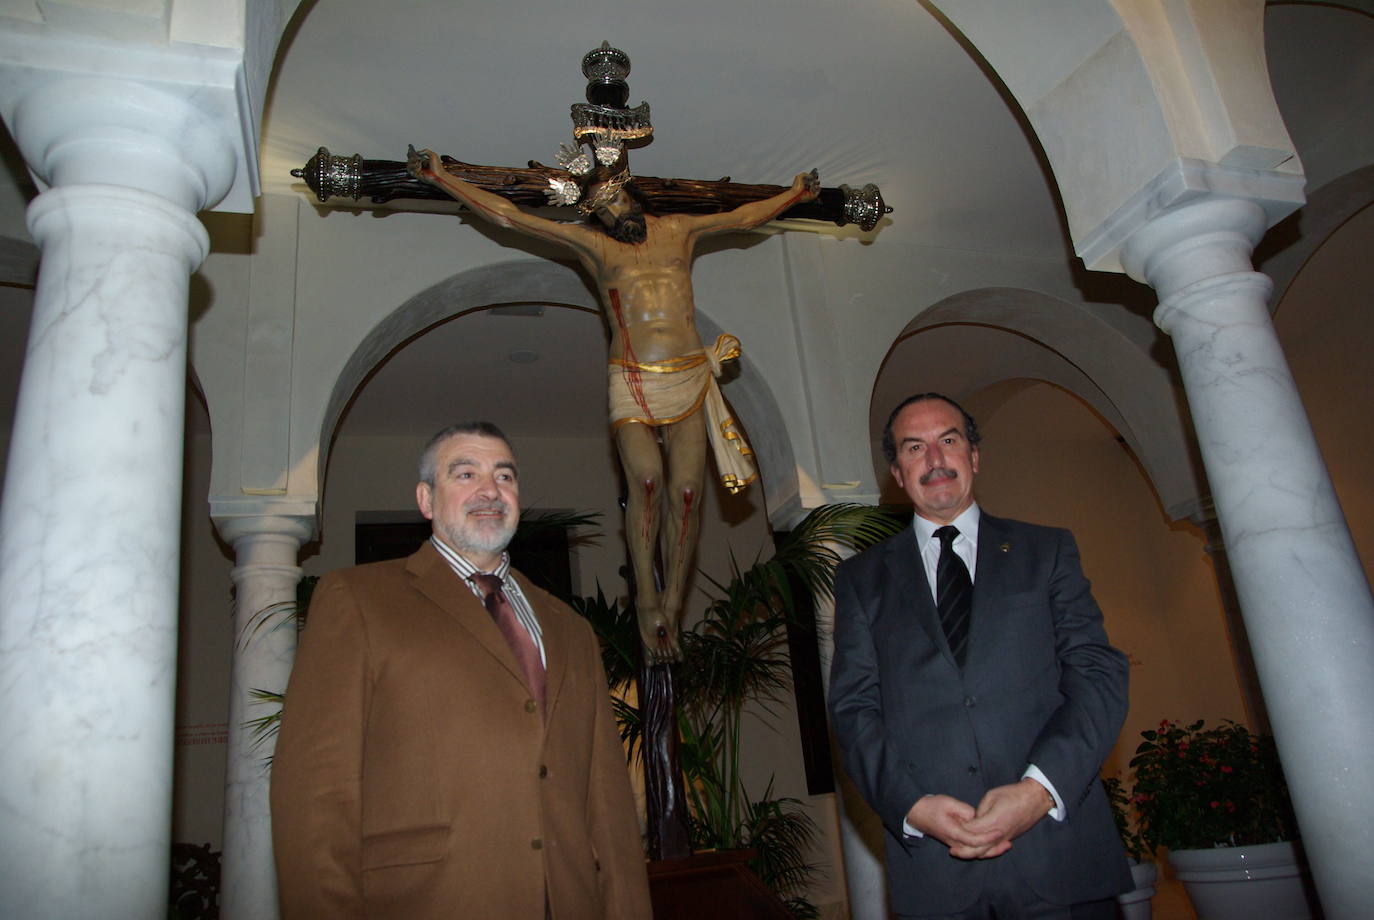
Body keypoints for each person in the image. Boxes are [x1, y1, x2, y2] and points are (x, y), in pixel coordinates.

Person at [408, 146, 819, 660]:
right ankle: (646, 595)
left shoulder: (679, 231)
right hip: (631, 377)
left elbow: (741, 215)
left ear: (629, 190)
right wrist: (444, 178)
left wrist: (795, 194)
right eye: (598, 207)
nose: (609, 212)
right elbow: (512, 217)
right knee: (646, 481)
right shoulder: (595, 249)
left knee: (688, 493)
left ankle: (671, 602)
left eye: (613, 199)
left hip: (688, 373)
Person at [270, 421, 652, 920]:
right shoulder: (358, 600)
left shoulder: (571, 629)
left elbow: (608, 803)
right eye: (466, 473)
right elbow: (314, 797)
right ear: (427, 500)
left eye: (505, 476)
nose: (490, 490)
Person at [827, 394, 1132, 918]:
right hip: (935, 876)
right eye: (914, 447)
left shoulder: (1047, 551)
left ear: (974, 456)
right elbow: (854, 709)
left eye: (949, 440)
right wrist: (914, 807)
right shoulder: (861, 581)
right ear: (898, 473)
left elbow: (1097, 675)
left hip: (1059, 859)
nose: (935, 459)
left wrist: (1039, 792)